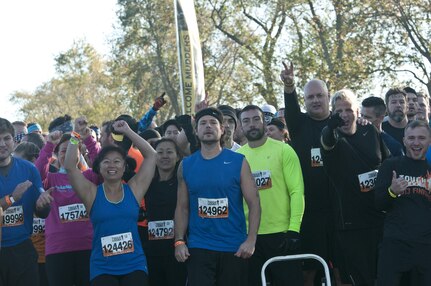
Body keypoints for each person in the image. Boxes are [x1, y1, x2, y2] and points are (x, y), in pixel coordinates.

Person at [174, 107, 261, 286]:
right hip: (199, 247)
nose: (208, 126)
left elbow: (254, 203)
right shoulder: (186, 165)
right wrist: (179, 241)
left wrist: (251, 240)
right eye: (203, 123)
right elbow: (182, 208)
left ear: (222, 129)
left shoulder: (239, 161)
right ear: (196, 131)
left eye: (213, 123)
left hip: (234, 247)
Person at [65, 119, 156, 286]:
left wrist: (128, 131)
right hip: (102, 268)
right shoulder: (91, 193)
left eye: (116, 161)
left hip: (135, 265)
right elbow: (70, 166)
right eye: (106, 161)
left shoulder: (134, 190)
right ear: (99, 167)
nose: (111, 165)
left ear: (124, 167)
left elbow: (151, 155)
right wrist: (76, 134)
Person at [321, 89, 389, 285]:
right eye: (339, 111)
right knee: (361, 279)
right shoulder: (331, 138)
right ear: (333, 114)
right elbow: (326, 142)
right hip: (351, 225)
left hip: (379, 218)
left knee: (384, 276)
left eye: (348, 109)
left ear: (357, 111)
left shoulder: (370, 130)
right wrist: (329, 127)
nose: (344, 115)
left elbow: (387, 162)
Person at [238, 104, 305, 286]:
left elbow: (297, 191)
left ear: (264, 122)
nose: (251, 124)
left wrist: (293, 229)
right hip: (249, 237)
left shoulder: (284, 150)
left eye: (256, 119)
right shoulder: (237, 157)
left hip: (282, 234)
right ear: (241, 126)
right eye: (246, 121)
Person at [281, 61, 333, 285]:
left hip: (339, 210)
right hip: (308, 211)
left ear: (328, 97)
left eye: (319, 95)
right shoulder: (299, 124)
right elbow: (291, 108)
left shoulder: (340, 122)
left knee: (340, 268)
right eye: (310, 97)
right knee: (308, 269)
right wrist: (290, 86)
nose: (315, 100)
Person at [35, 123, 101, 286]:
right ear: (56, 155)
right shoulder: (51, 179)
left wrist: (88, 140)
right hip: (58, 250)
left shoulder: (90, 176)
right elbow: (37, 172)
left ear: (79, 153)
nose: (67, 154)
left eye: (72, 150)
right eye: (63, 151)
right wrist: (49, 145)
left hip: (88, 246)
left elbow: (102, 164)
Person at [374, 120, 431, 286]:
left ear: (429, 140)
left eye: (421, 138)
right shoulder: (390, 165)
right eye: (411, 138)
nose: (416, 142)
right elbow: (378, 204)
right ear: (404, 140)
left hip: (425, 248)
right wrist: (392, 192)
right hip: (394, 245)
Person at [0, 117, 51, 286]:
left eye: (6, 138)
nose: (2, 144)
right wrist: (12, 198)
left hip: (23, 249)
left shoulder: (29, 169)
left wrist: (43, 204)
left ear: (14, 141)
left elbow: (42, 213)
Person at [144, 138, 187, 286]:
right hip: (152, 250)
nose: (165, 156)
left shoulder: (183, 181)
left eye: (170, 152)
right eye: (160, 152)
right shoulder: (147, 182)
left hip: (178, 249)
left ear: (178, 156)